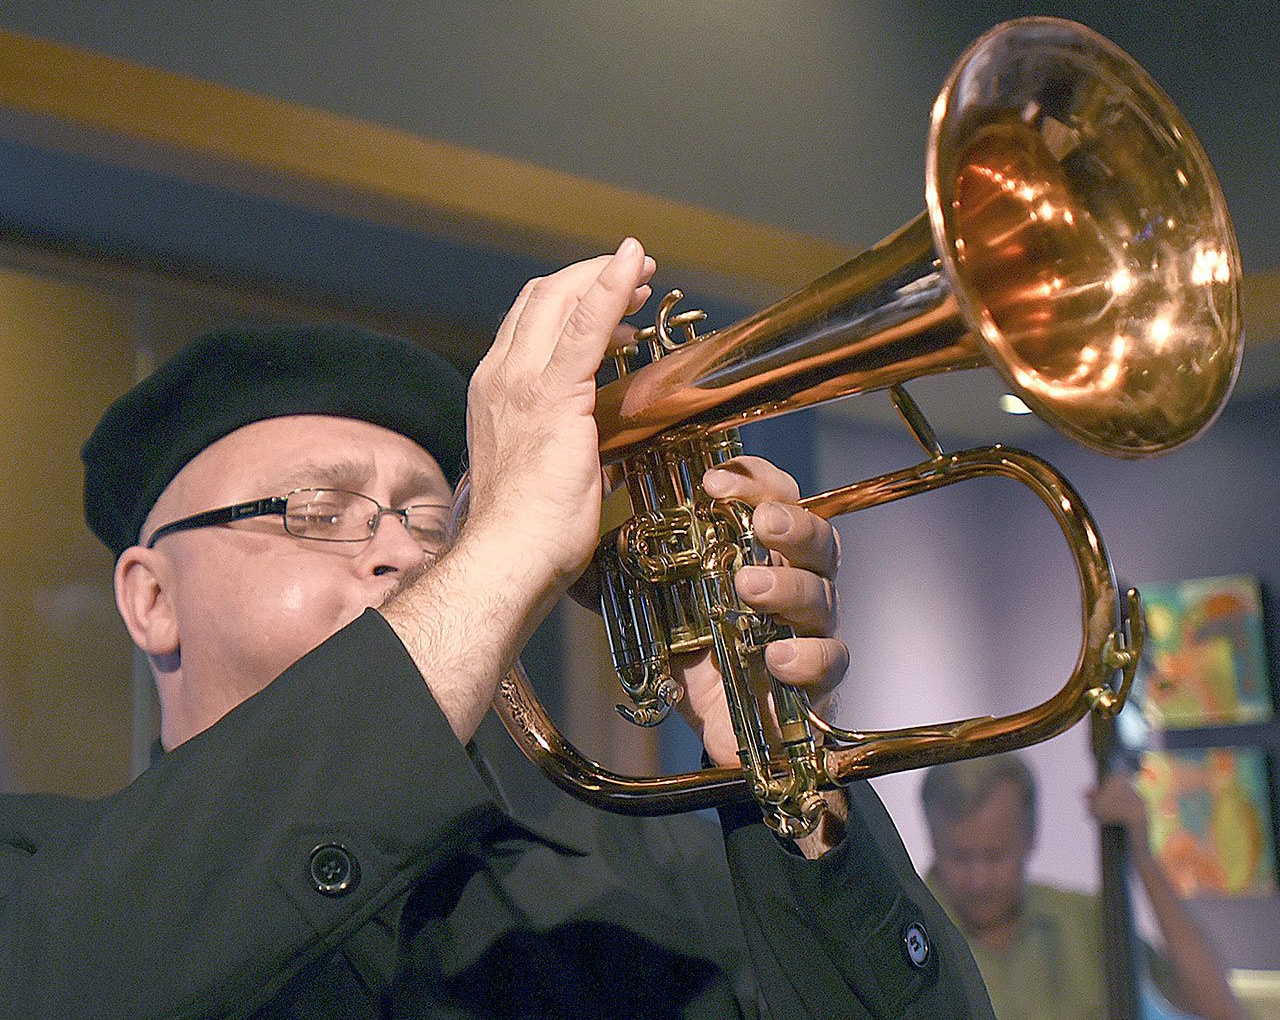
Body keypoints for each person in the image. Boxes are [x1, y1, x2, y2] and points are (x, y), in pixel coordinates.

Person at [0, 241, 995, 1019]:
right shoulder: (43, 878)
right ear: (149, 596)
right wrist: (504, 537)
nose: (399, 553)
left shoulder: (650, 884)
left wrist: (778, 760)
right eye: (317, 510)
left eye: (435, 522)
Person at [920, 753, 1245, 1020]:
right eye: (960, 858)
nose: (979, 880)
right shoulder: (900, 937)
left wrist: (1142, 857)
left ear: (1030, 838)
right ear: (933, 841)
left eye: (996, 856)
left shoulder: (1085, 920)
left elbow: (1215, 1007)